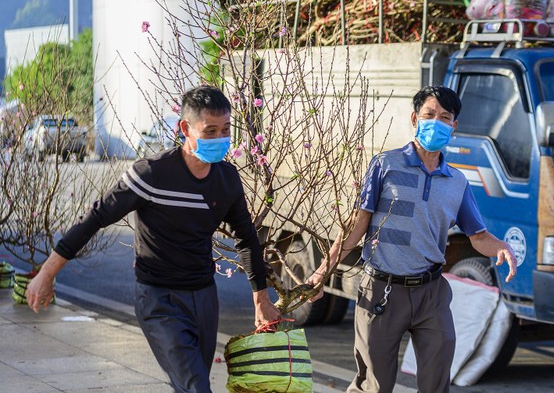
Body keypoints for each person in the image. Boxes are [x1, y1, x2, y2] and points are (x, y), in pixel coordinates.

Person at [26, 85, 281, 393]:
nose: (220, 139)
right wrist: (47, 272)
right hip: (159, 300)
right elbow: (96, 217)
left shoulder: (226, 179)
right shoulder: (151, 174)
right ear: (185, 128)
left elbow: (247, 239)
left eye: (225, 130)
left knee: (189, 383)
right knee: (196, 387)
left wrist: (261, 300)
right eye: (210, 130)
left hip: (204, 297)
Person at [306, 85, 517, 393]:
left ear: (454, 125)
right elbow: (357, 224)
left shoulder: (457, 182)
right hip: (381, 290)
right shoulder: (384, 165)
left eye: (445, 117)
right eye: (429, 115)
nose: (437, 122)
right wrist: (321, 272)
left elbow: (478, 236)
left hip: (431, 294)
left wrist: (500, 246)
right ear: (415, 118)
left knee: (436, 383)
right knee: (373, 386)